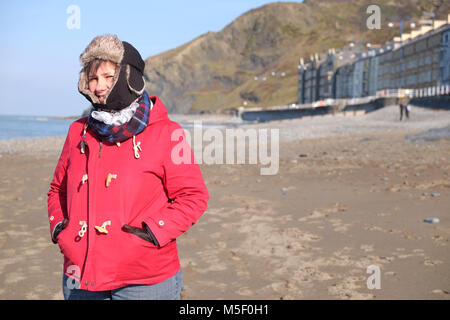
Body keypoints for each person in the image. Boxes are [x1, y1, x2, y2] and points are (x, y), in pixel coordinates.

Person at [47, 34, 209, 300]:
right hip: (81, 274)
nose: (99, 87)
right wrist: (60, 228)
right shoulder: (78, 131)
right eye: (93, 78)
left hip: (145, 279)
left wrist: (153, 232)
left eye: (109, 77)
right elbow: (57, 189)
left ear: (128, 77)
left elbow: (193, 196)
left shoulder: (168, 132)